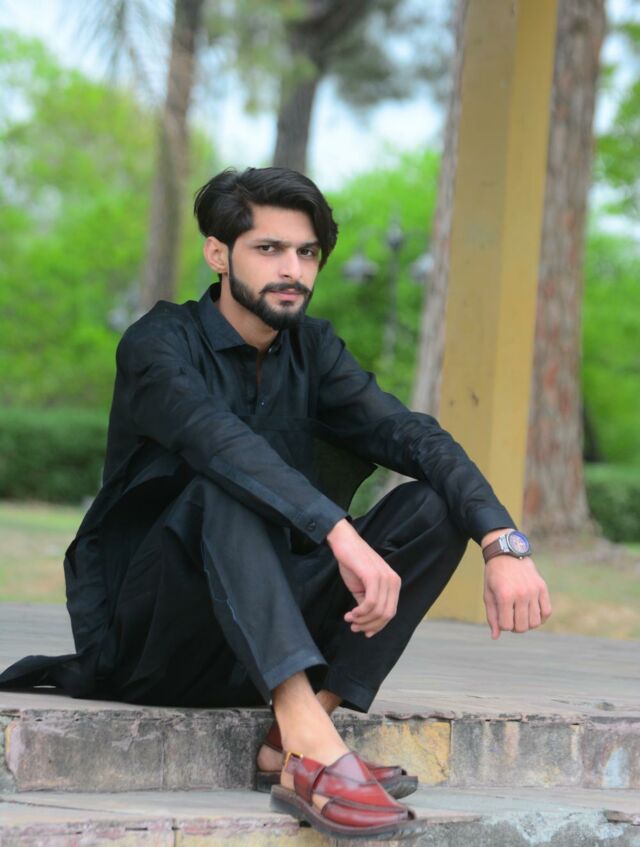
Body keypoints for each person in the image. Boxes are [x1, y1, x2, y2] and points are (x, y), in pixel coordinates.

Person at [0, 167, 551, 840]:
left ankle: (293, 736)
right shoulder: (158, 343)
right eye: (269, 249)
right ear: (218, 252)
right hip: (154, 639)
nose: (292, 269)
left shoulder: (312, 348)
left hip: (266, 635)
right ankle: (315, 750)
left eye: (307, 252)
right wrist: (340, 532)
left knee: (435, 507)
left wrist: (500, 539)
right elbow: (219, 442)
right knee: (223, 486)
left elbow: (412, 435)